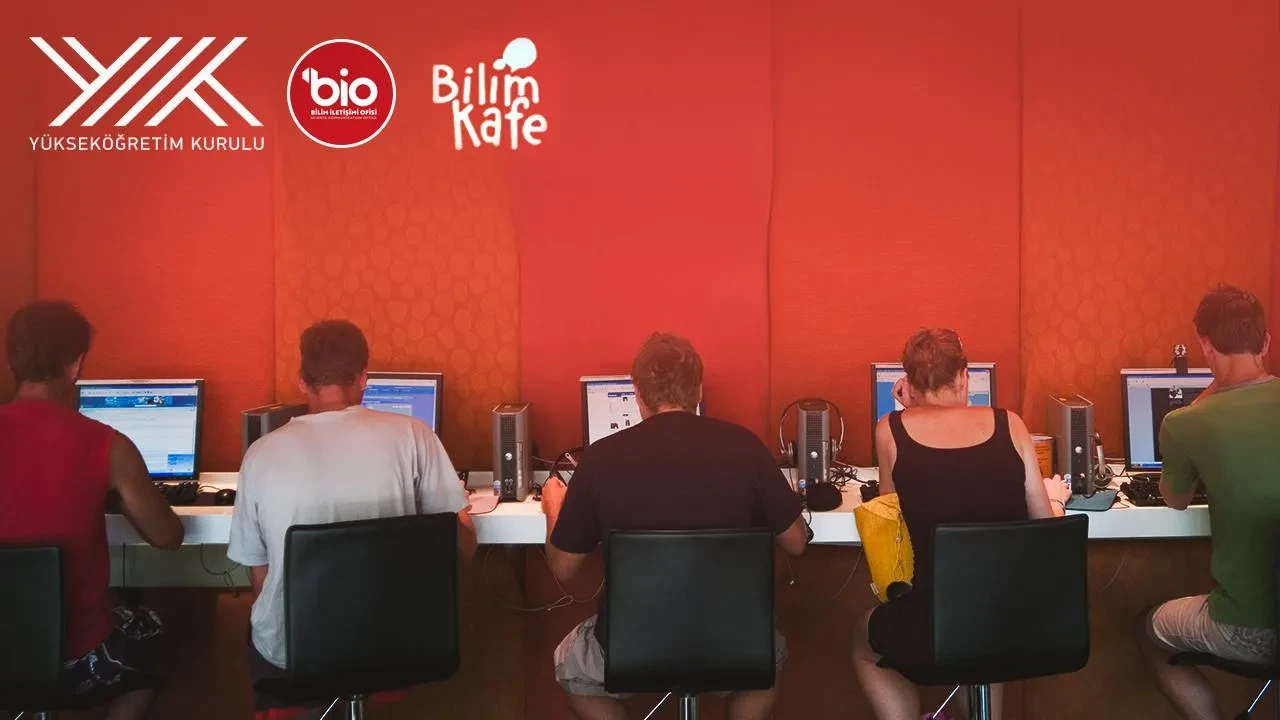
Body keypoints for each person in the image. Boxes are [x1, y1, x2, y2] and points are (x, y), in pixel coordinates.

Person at [541, 332, 809, 720]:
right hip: (734, 642)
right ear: (699, 390)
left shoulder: (599, 459)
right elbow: (797, 542)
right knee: (765, 667)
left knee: (572, 670)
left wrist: (554, 508)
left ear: (637, 394)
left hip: (633, 645)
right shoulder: (746, 447)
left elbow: (564, 568)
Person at [227, 319, 477, 700]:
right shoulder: (415, 436)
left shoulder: (260, 454)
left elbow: (259, 574)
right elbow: (464, 550)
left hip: (295, 651)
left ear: (301, 381)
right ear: (364, 378)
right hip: (396, 643)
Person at [853, 328, 1069, 720]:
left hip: (934, 631)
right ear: (964, 376)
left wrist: (908, 411)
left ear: (909, 383)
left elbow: (893, 514)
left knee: (864, 636)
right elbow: (1046, 529)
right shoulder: (1011, 425)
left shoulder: (890, 430)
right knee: (986, 620)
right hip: (1020, 627)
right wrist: (1056, 498)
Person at [0, 300, 184, 720]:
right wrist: (114, 493)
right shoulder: (107, 445)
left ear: (11, 362)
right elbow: (169, 537)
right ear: (76, 364)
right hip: (75, 660)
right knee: (162, 637)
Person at [1142, 285, 1279, 720]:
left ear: (1205, 345)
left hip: (1247, 627)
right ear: (1266, 342)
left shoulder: (1185, 422)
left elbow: (1176, 499)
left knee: (1150, 629)